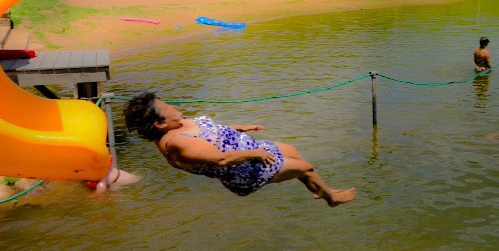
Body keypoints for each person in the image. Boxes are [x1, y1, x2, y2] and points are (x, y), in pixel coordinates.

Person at [123, 92, 355, 206]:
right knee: (306, 167)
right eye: (166, 107)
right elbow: (222, 159)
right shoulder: (177, 142)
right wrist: (254, 153)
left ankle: (317, 189)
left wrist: (242, 127)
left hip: (250, 151)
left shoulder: (175, 124)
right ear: (160, 124)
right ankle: (331, 197)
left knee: (292, 150)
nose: (172, 106)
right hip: (245, 169)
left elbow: (211, 131)